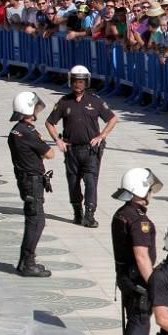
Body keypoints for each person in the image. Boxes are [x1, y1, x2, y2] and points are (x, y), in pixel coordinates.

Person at [111, 167, 164, 335]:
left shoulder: (122, 213)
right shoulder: (137, 220)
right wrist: (155, 284)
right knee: (139, 323)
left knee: (136, 322)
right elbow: (142, 256)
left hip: (126, 277)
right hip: (137, 280)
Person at [45, 65, 119, 228]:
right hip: (71, 150)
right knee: (73, 182)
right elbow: (49, 122)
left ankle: (90, 214)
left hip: (90, 150)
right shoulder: (64, 102)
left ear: (86, 83)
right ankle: (77, 212)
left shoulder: (95, 101)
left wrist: (102, 135)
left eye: (81, 82)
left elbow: (112, 119)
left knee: (91, 182)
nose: (78, 85)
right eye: (75, 81)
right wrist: (58, 140)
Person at [8, 90, 55, 277]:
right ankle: (28, 263)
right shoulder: (27, 132)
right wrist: (42, 141)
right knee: (36, 222)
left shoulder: (16, 130)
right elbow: (50, 154)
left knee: (35, 220)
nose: (37, 110)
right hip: (32, 181)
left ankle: (24, 262)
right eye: (34, 107)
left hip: (26, 179)